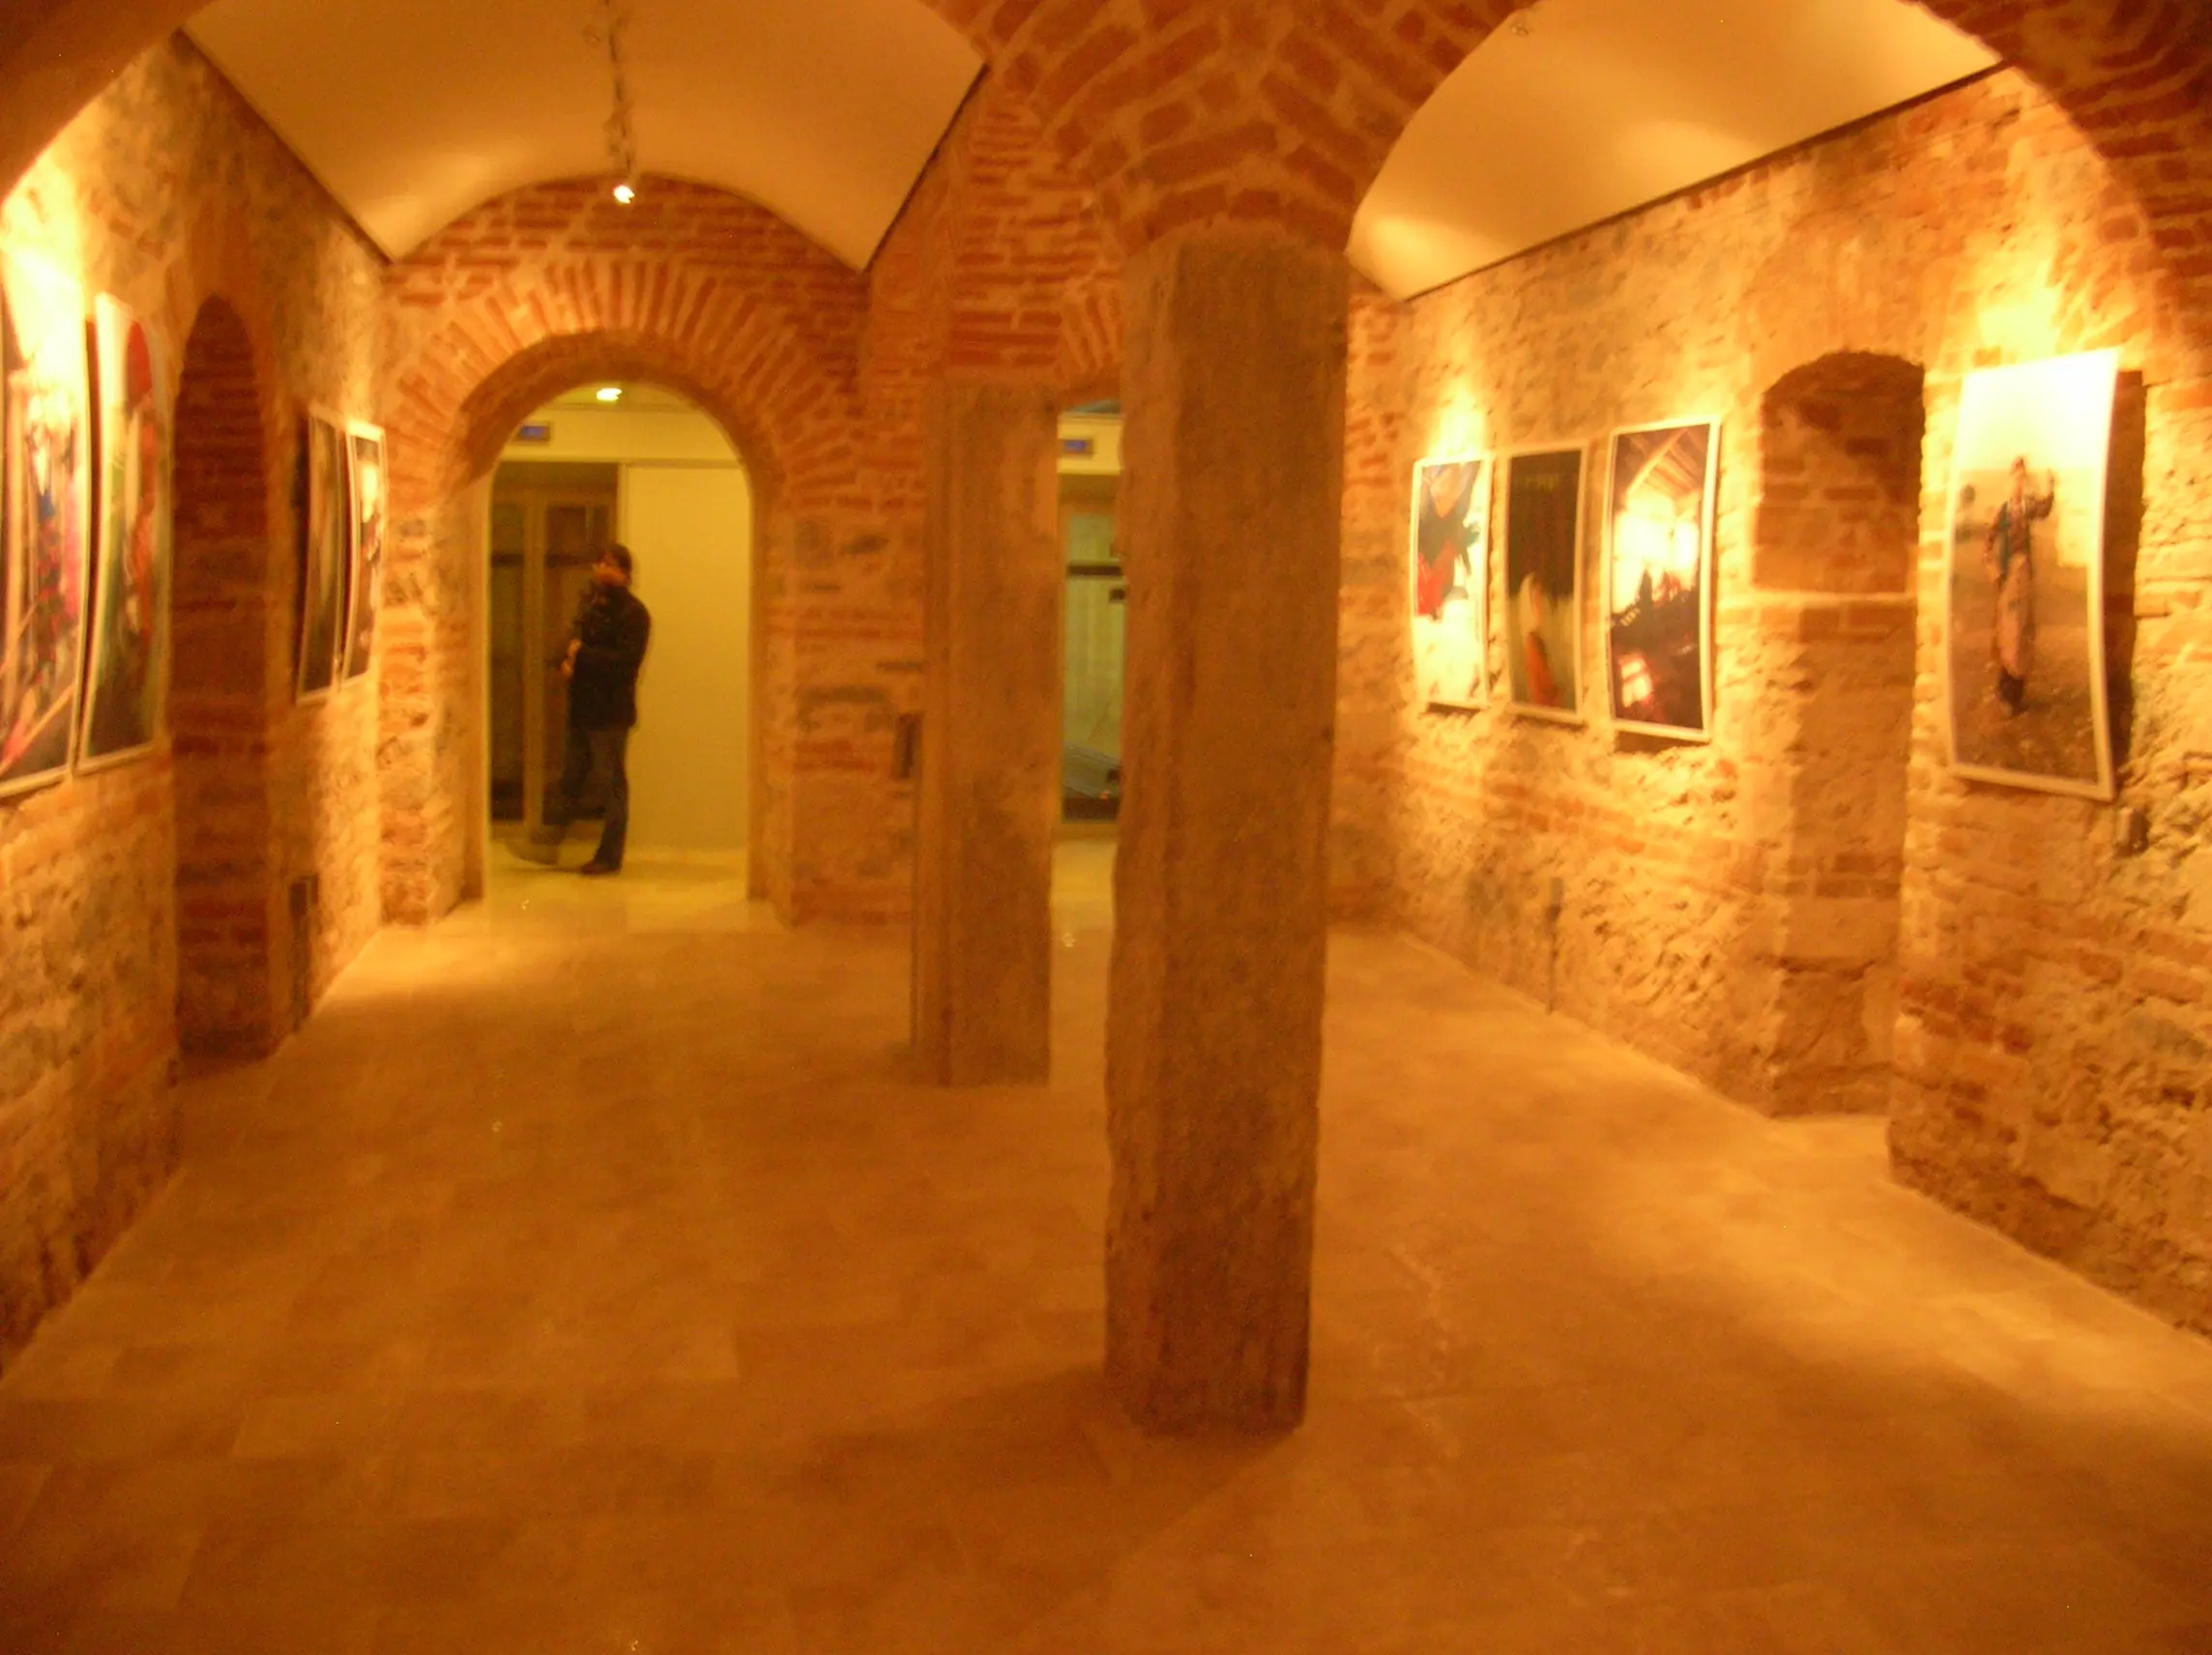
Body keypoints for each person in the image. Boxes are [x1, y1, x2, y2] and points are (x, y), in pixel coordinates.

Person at [527, 543, 651, 875]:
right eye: (601, 563)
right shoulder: (590, 606)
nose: (605, 571)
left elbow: (626, 663)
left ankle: (609, 856)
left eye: (613, 566)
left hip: (610, 713)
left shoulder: (634, 614)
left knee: (611, 785)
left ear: (626, 574)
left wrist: (580, 656)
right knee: (570, 778)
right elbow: (568, 643)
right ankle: (546, 845)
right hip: (582, 708)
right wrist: (563, 661)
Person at [1982, 456, 2054, 716]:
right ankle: (2003, 690)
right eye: (2016, 478)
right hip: (2008, 577)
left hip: (2024, 576)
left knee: (2023, 632)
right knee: (2007, 633)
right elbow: (1987, 545)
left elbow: (2044, 509)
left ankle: (2016, 694)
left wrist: (2050, 487)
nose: (2019, 483)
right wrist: (1995, 572)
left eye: (2023, 478)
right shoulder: (2002, 512)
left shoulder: (2027, 507)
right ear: (2010, 479)